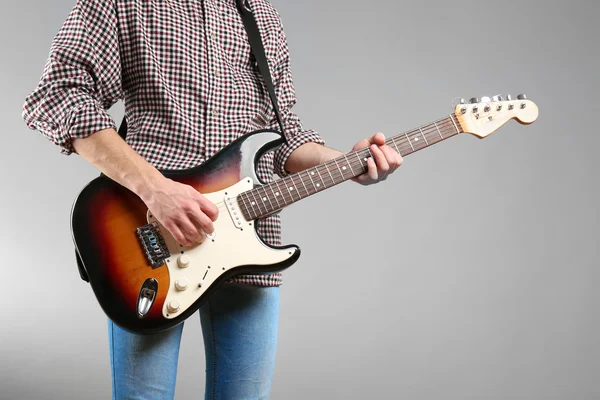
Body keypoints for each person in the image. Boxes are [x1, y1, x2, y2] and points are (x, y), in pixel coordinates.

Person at [22, 0, 402, 398]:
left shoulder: (258, 11)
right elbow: (60, 93)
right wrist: (157, 189)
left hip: (249, 242)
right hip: (149, 241)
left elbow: (281, 133)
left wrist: (349, 163)